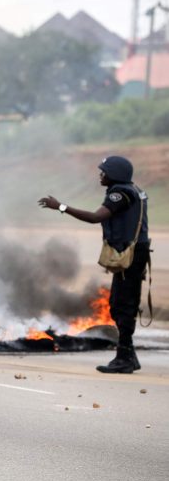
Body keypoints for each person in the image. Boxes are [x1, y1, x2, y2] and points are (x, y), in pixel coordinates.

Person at [38, 156, 150, 374]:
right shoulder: (133, 189)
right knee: (120, 303)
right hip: (133, 252)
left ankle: (125, 357)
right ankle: (128, 354)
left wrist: (60, 206)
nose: (101, 175)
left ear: (115, 174)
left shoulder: (121, 193)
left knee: (123, 305)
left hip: (131, 255)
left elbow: (95, 217)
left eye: (104, 171)